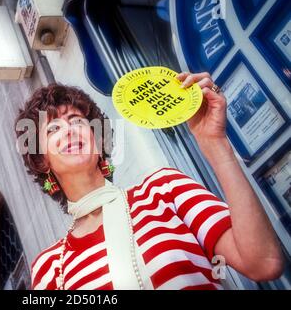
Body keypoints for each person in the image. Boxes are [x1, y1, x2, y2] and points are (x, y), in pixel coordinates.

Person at [15, 72, 285, 290]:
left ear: (98, 139)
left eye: (77, 120)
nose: (69, 130)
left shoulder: (165, 190)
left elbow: (263, 263)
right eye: (52, 128)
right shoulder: (51, 267)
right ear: (42, 161)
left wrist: (214, 143)